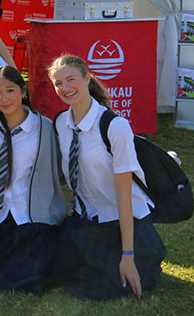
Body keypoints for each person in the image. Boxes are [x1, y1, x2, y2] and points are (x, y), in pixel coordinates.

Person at [48, 55, 166, 300]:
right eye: (58, 83)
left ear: (87, 78)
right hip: (88, 218)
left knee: (105, 287)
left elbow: (125, 197)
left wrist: (128, 256)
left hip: (123, 221)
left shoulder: (115, 126)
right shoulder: (60, 123)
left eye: (71, 79)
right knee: (57, 272)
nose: (65, 88)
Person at [0, 66, 66, 294]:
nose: (4, 98)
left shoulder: (45, 129)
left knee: (32, 276)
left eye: (10, 90)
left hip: (32, 213)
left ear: (23, 92)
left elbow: (59, 172)